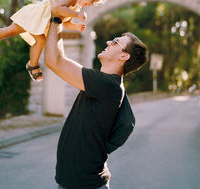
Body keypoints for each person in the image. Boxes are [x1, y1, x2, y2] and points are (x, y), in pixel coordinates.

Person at [44, 15, 148, 189]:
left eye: (115, 42)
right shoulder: (107, 84)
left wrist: (56, 20)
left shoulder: (107, 85)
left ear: (124, 55)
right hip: (74, 182)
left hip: (85, 185)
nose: (108, 42)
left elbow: (54, 61)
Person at [0, 0, 106, 82]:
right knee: (22, 35)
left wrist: (75, 26)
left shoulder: (75, 6)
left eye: (94, 2)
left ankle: (32, 64)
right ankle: (32, 65)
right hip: (36, 16)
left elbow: (65, 22)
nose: (91, 4)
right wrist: (76, 15)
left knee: (27, 36)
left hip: (40, 21)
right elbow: (58, 7)